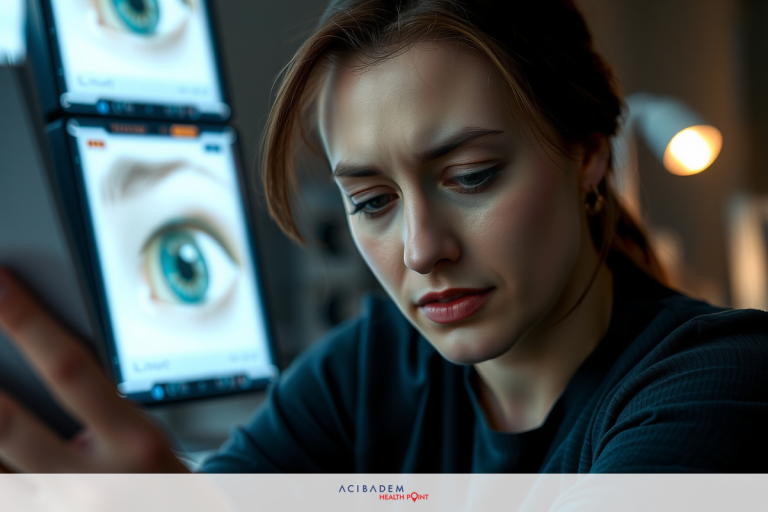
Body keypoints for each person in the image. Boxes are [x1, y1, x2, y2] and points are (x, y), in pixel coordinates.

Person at [0, 0, 766, 473]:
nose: (421, 249)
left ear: (589, 153)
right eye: (372, 201)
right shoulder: (368, 371)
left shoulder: (723, 383)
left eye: (470, 176)